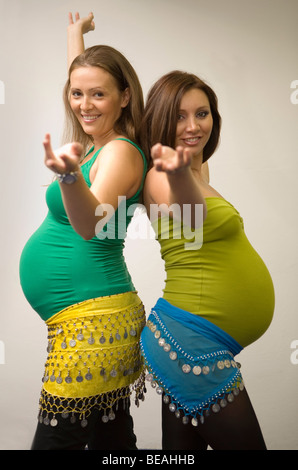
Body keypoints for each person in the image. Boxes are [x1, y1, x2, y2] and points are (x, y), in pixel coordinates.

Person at [19, 12, 147, 450]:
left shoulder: (119, 153)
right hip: (93, 318)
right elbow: (85, 85)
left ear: (125, 97)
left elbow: (91, 225)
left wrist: (71, 177)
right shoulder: (96, 142)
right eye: (76, 94)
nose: (85, 104)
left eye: (99, 95)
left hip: (93, 324)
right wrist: (75, 36)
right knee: (112, 442)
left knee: (58, 442)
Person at [139, 71, 275, 450]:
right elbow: (191, 214)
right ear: (162, 120)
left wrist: (75, 36)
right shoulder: (159, 177)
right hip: (190, 343)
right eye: (180, 116)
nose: (193, 125)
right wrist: (178, 171)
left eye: (202, 113)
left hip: (189, 341)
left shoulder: (198, 170)